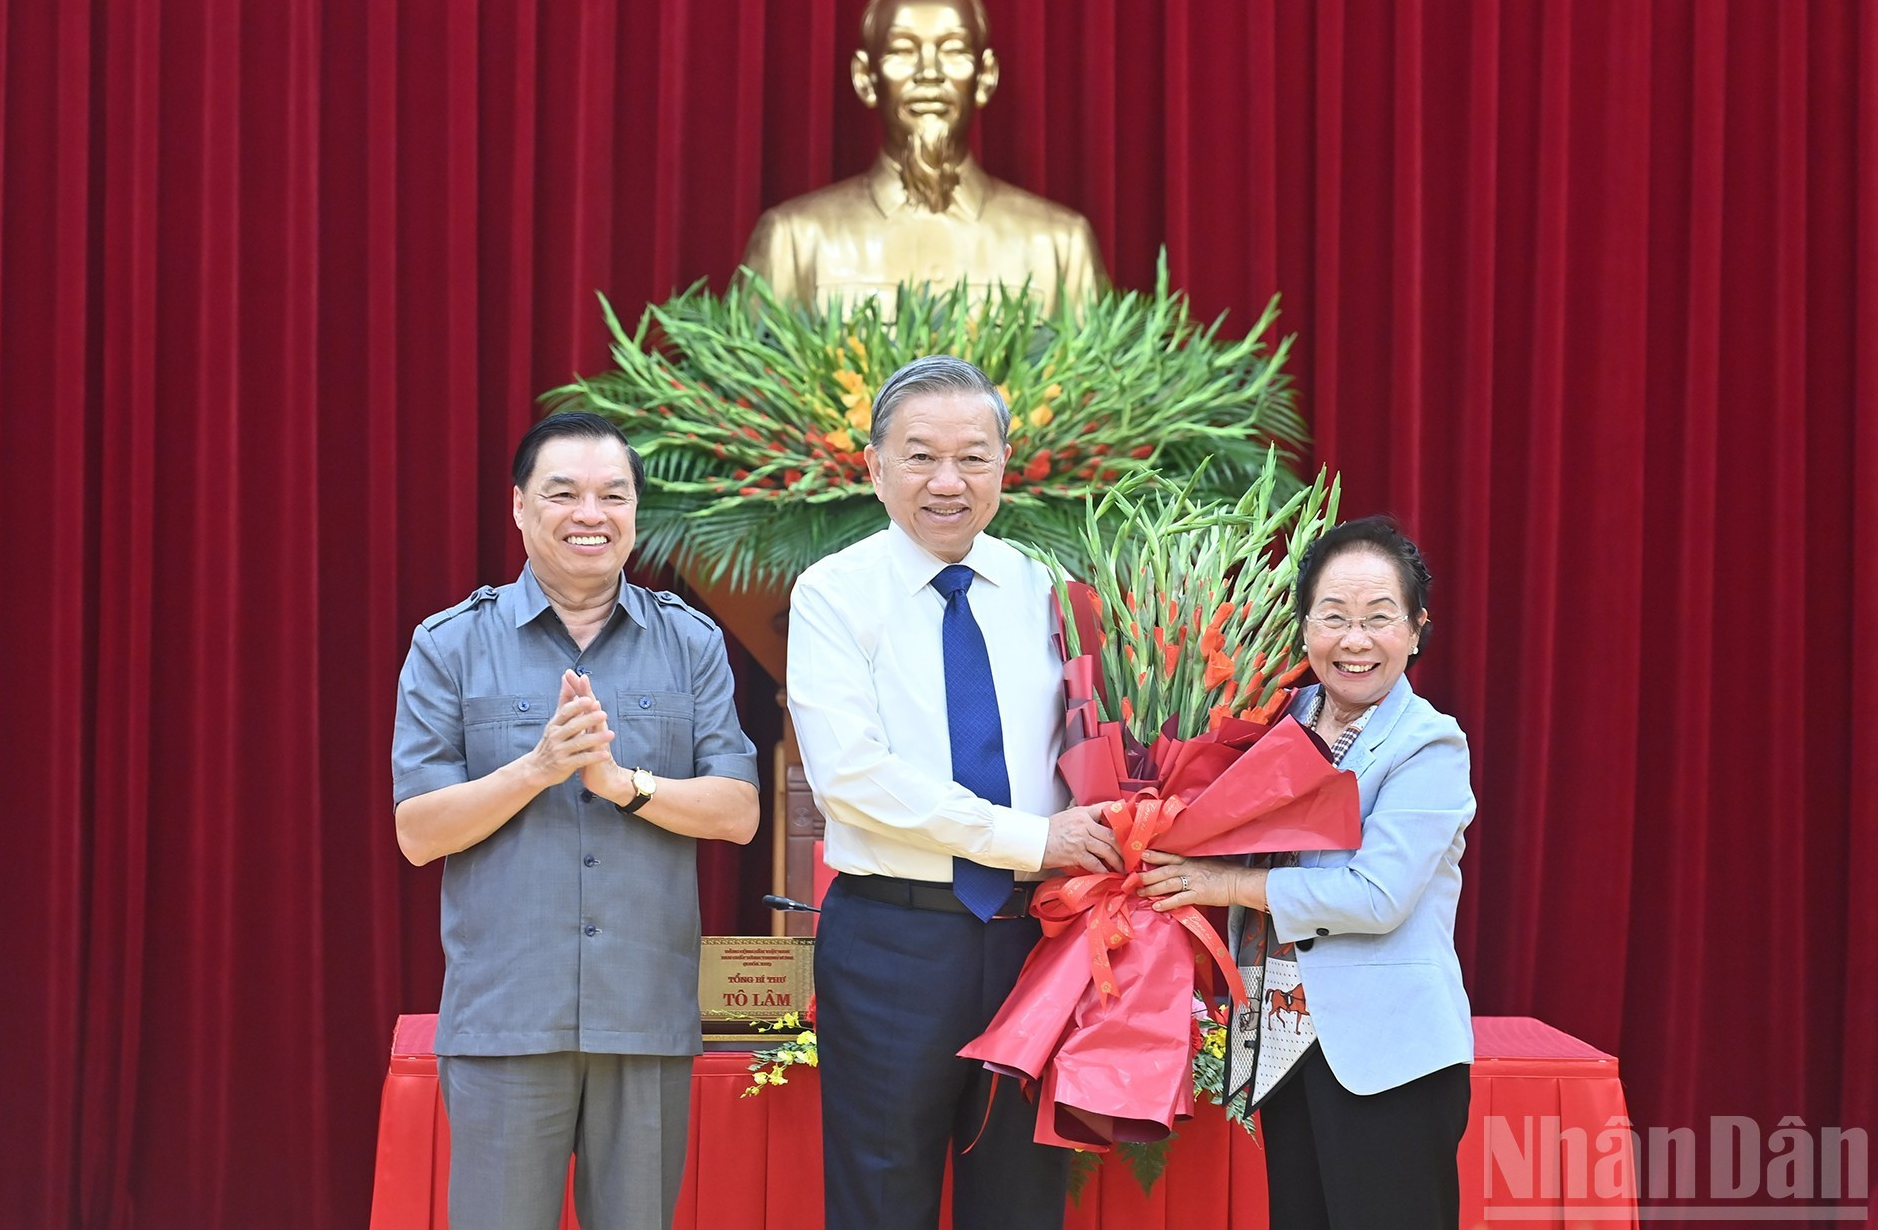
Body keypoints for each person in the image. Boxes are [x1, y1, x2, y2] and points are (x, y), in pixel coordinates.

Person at [391, 411, 760, 1230]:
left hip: (644, 1017)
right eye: (563, 493)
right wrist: (538, 769)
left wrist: (623, 782)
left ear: (636, 513)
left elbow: (738, 812)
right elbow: (418, 831)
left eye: (612, 495)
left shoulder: (690, 643)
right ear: (520, 507)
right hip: (505, 1018)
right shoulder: (451, 645)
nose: (589, 513)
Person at [787, 355, 1122, 1230]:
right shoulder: (832, 593)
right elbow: (851, 780)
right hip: (895, 941)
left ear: (1005, 468)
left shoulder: (1048, 591)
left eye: (973, 457)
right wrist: (1029, 841)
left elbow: (1091, 742)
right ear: (874, 467)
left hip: (1032, 942)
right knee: (880, 1198)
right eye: (920, 455)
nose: (948, 481)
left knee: (1021, 1203)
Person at [1136, 517, 1476, 1230]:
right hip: (1286, 1043)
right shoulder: (1274, 719)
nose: (1355, 640)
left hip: (1388, 1060)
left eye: (1380, 619)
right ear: (1304, 628)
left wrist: (1222, 884)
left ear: (1416, 631)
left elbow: (1376, 896)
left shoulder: (1429, 744)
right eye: (1335, 617)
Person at [741, 0, 1107, 316]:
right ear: (865, 79)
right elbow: (749, 380)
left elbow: (1100, 381)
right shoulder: (795, 240)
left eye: (954, 50)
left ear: (985, 77)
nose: (929, 72)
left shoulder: (1060, 245)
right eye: (902, 50)